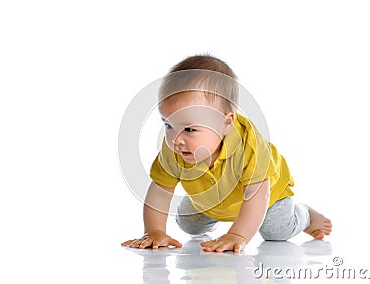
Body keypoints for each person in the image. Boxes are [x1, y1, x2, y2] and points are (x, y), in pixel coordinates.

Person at [121, 55, 332, 253]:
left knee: (276, 231)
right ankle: (210, 210)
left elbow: (256, 197)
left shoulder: (250, 148)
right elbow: (159, 190)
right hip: (211, 199)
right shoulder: (176, 148)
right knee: (188, 224)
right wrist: (154, 231)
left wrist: (237, 235)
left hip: (266, 199)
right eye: (168, 125)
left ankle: (305, 216)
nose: (176, 139)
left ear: (226, 123)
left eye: (190, 129)